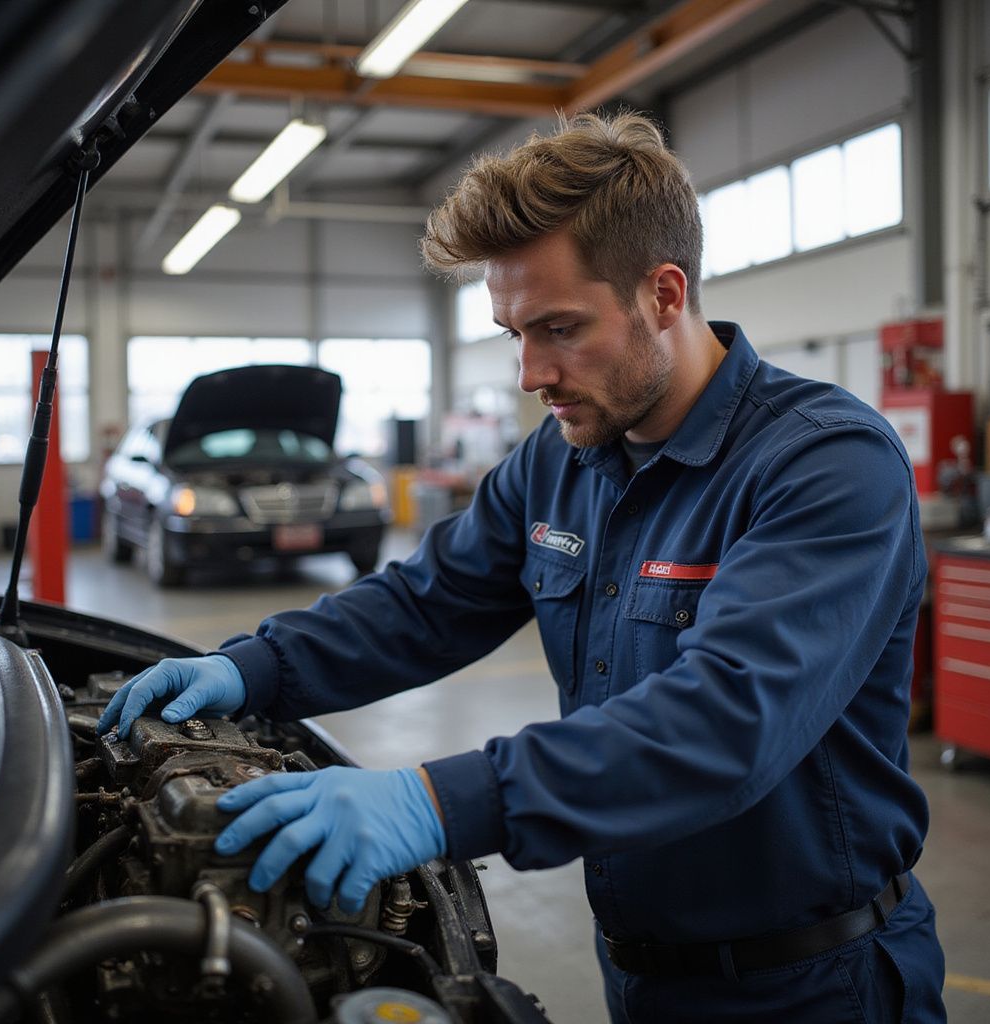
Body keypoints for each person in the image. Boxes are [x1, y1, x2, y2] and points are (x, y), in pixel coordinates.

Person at [98, 112, 945, 1023]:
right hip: (643, 972)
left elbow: (727, 721)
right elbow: (427, 604)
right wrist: (252, 667)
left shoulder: (825, 465)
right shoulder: (562, 457)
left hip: (815, 984)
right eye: (512, 333)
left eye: (560, 328)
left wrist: (438, 802)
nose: (531, 374)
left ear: (665, 294)